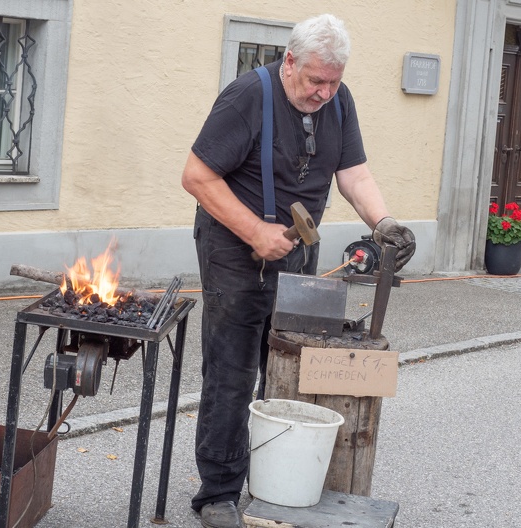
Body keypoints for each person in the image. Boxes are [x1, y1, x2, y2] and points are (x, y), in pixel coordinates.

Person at [181, 13, 415, 528]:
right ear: (289, 63)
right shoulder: (246, 97)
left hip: (299, 254)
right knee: (233, 371)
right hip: (233, 252)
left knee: (290, 368)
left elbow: (354, 173)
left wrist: (384, 222)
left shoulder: (339, 100)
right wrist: (255, 232)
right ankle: (217, 493)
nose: (324, 92)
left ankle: (278, 483)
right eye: (315, 81)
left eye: (333, 82)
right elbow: (197, 177)